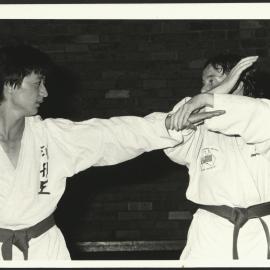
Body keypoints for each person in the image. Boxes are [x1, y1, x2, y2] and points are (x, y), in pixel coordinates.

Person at [0, 44, 224, 261]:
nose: (45, 92)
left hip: (45, 250)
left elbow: (113, 134)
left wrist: (170, 124)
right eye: (37, 83)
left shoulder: (52, 136)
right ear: (11, 85)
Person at [164, 54, 269, 261]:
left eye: (212, 80)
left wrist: (207, 98)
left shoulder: (263, 111)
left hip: (261, 232)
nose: (204, 89)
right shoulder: (198, 127)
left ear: (239, 81)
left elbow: (257, 117)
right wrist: (203, 99)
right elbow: (172, 129)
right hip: (209, 235)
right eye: (203, 84)